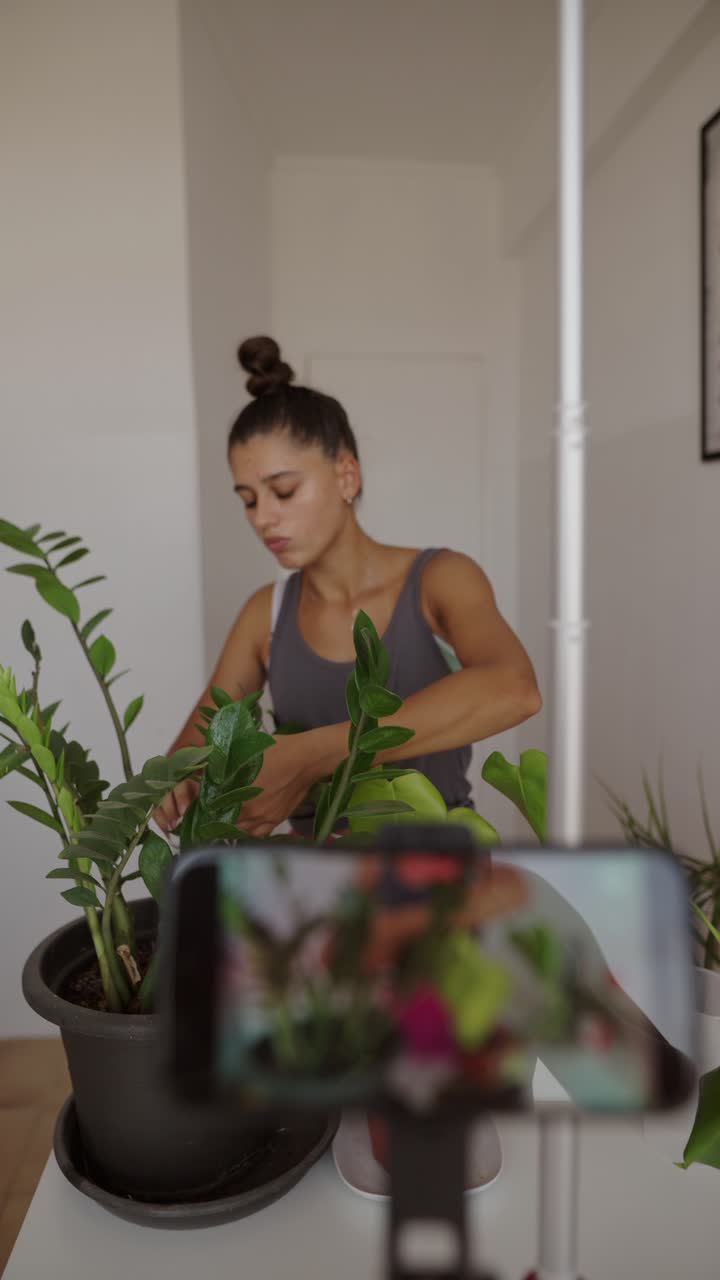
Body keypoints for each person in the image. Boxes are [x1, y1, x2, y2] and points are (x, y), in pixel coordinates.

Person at [155, 335, 542, 837]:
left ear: (346, 475)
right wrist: (175, 788)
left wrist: (314, 753)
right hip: (308, 893)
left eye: (284, 491)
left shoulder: (441, 580)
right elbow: (191, 755)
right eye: (248, 499)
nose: (263, 518)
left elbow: (514, 689)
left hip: (439, 879)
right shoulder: (265, 614)